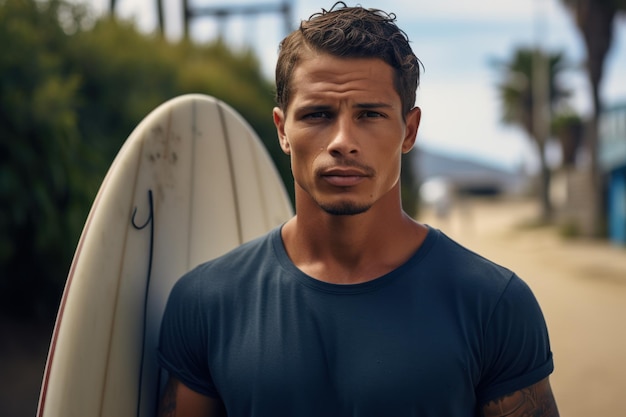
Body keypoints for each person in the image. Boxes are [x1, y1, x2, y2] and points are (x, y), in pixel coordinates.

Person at [156, 3, 560, 416]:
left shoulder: (492, 304)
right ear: (282, 130)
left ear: (409, 130)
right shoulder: (205, 302)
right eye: (317, 114)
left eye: (369, 114)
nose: (342, 141)